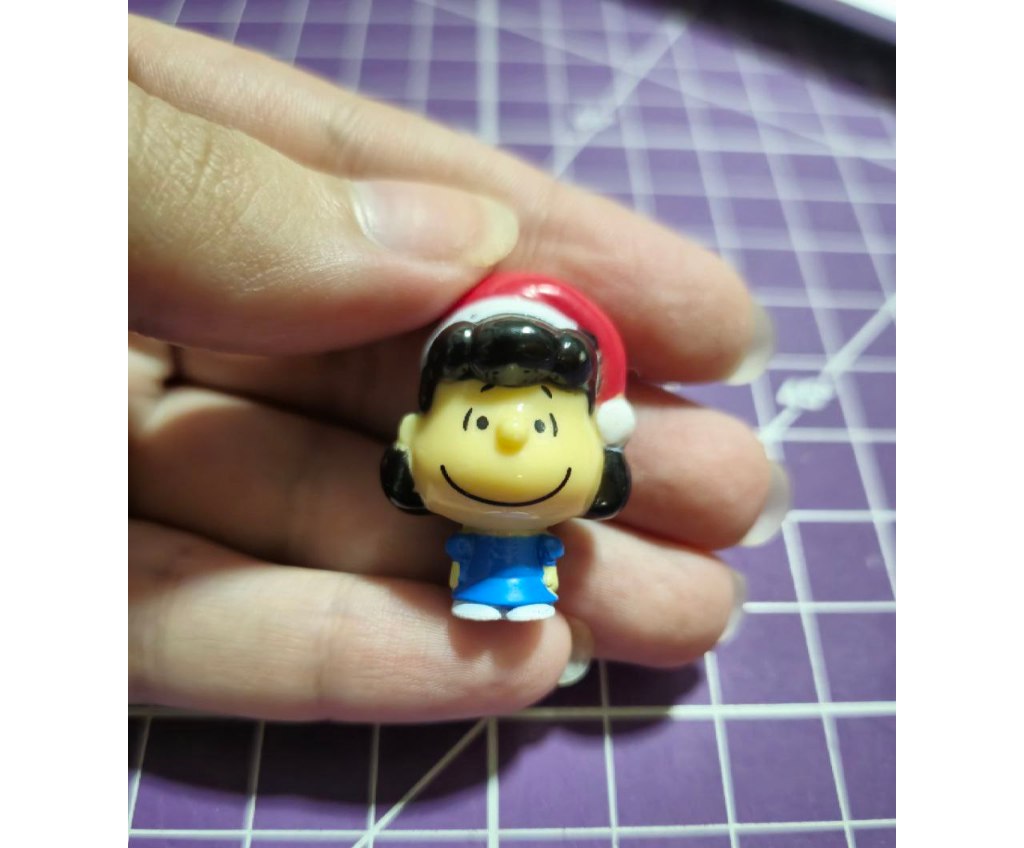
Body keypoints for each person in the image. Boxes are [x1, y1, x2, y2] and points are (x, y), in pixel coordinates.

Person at [127, 15, 789, 723]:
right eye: (476, 419)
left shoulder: (571, 468)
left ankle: (514, 592)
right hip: (465, 538)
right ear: (414, 432)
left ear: (601, 444)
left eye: (543, 424)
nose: (510, 436)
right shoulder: (434, 456)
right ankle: (489, 589)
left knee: (531, 574)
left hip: (529, 548)